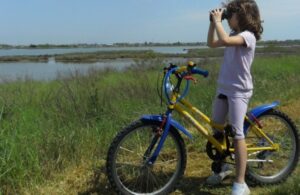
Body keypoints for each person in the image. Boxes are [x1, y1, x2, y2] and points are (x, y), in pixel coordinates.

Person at [206, 0, 263, 194]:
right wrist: (213, 23)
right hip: (224, 88)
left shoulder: (248, 36)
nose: (228, 17)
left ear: (244, 16)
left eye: (231, 14)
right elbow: (212, 43)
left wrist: (219, 21)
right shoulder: (231, 33)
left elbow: (228, 41)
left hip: (239, 90)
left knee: (238, 134)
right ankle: (223, 167)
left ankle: (240, 183)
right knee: (217, 128)